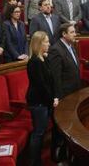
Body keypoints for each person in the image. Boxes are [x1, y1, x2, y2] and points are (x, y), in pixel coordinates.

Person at [48, 23, 81, 161]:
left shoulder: (70, 46)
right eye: (72, 32)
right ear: (64, 34)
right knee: (60, 127)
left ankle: (68, 152)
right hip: (64, 95)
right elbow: (56, 77)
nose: (75, 34)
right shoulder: (56, 50)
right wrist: (58, 97)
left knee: (69, 125)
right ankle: (57, 155)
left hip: (74, 92)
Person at [26, 31, 58, 166]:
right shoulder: (34, 62)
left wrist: (54, 97)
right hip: (38, 102)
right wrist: (52, 100)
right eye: (46, 41)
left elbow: (51, 80)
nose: (49, 44)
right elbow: (41, 86)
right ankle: (34, 162)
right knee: (38, 132)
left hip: (44, 101)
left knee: (41, 131)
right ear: (39, 44)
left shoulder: (43, 59)